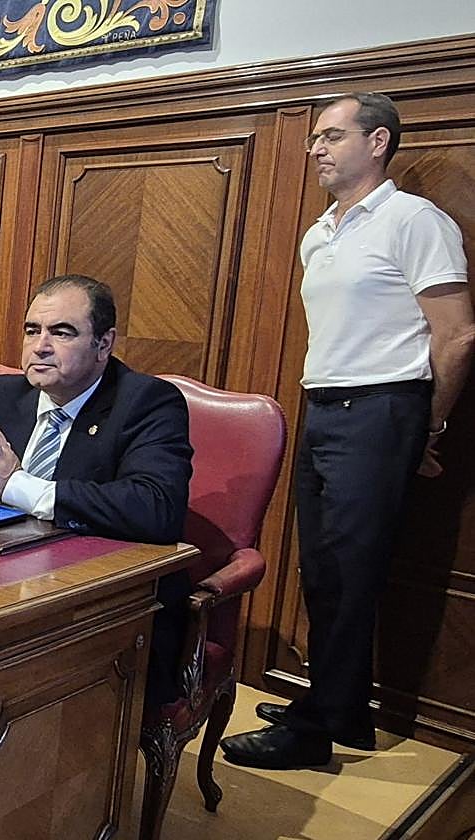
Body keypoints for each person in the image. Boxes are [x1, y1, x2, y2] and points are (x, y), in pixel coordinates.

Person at [220, 93, 474, 770]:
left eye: (333, 136)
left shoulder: (413, 221)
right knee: (325, 571)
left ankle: (313, 731)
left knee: (351, 573)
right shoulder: (322, 231)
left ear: (379, 141)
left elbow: (457, 334)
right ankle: (341, 710)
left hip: (383, 409)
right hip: (324, 407)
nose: (317, 150)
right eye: (315, 140)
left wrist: (429, 424)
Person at [0, 274, 192, 703]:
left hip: (99, 612)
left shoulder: (146, 402)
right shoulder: (2, 394)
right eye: (32, 330)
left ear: (103, 344)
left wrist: (17, 485)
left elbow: (156, 507)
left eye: (62, 332)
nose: (40, 345)